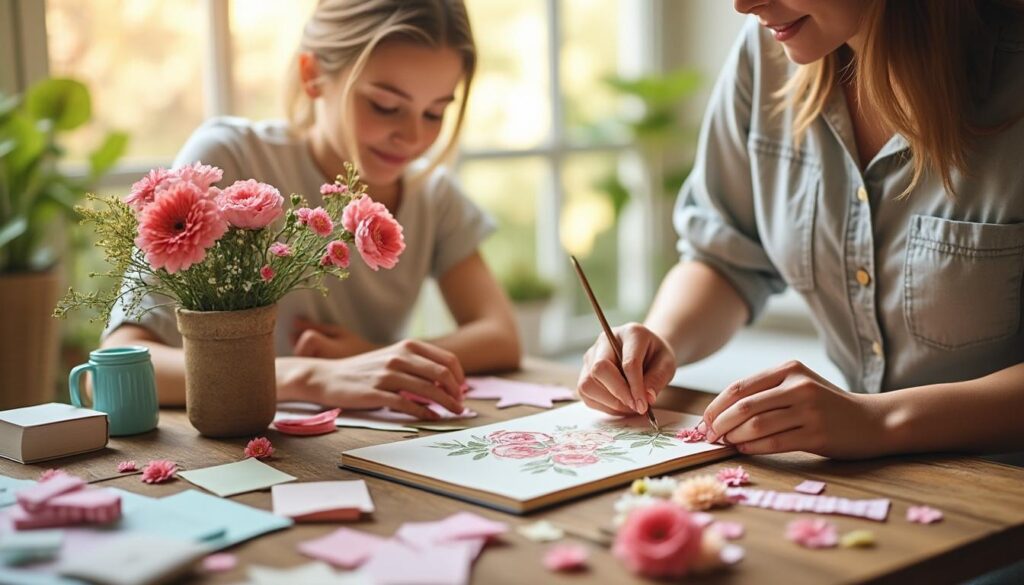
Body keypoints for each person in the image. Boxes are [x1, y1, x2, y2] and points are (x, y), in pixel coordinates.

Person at [577, 0, 1024, 459]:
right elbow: (725, 257)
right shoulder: (771, 52)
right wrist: (658, 339)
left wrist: (882, 420)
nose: (742, 5)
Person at [102, 0, 521, 421]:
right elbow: (114, 363)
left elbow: (500, 335)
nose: (412, 138)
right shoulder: (231, 158)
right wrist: (312, 376)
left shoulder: (432, 194)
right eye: (385, 106)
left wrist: (371, 359)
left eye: (435, 112)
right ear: (312, 75)